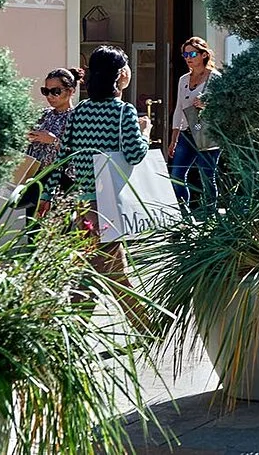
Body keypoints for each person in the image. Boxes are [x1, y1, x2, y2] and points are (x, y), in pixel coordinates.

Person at [39, 46, 151, 326]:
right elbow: (135, 154)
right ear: (121, 74)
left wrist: (47, 194)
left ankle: (70, 332)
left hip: (84, 203)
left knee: (90, 270)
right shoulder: (123, 112)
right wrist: (146, 133)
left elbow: (62, 157)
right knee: (113, 273)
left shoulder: (80, 112)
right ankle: (150, 328)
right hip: (109, 204)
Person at [20, 67, 83, 217]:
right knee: (33, 226)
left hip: (62, 182)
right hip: (36, 179)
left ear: (71, 91)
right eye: (46, 91)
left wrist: (52, 140)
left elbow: (78, 154)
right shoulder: (43, 114)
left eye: (55, 91)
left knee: (56, 226)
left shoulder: (77, 118)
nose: (50, 96)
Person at [168, 37, 222, 212]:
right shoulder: (183, 79)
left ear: (204, 55)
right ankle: (184, 214)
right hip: (187, 134)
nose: (188, 58)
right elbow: (179, 109)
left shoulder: (215, 78)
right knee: (176, 175)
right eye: (185, 55)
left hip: (208, 133)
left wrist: (207, 105)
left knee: (207, 176)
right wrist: (174, 139)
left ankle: (210, 215)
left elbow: (224, 107)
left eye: (192, 54)